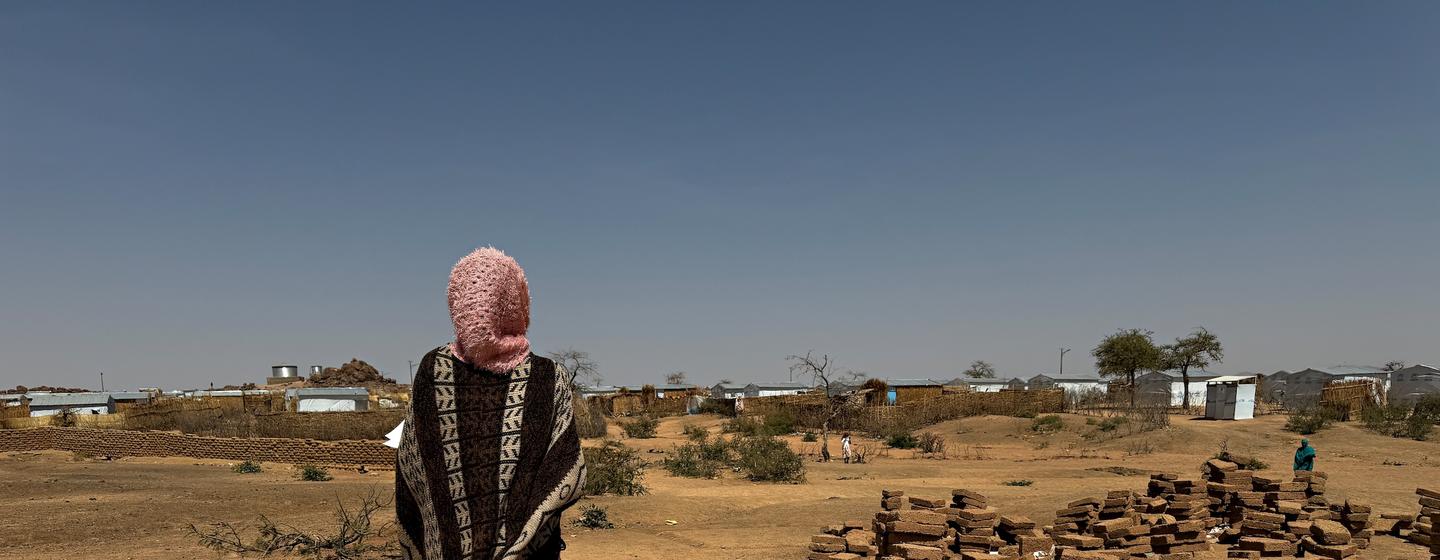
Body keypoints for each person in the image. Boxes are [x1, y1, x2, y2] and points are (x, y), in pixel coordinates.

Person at [396, 248, 585, 560]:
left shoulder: (434, 369)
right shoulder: (550, 376)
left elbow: (414, 475)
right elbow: (564, 472)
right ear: (517, 300)